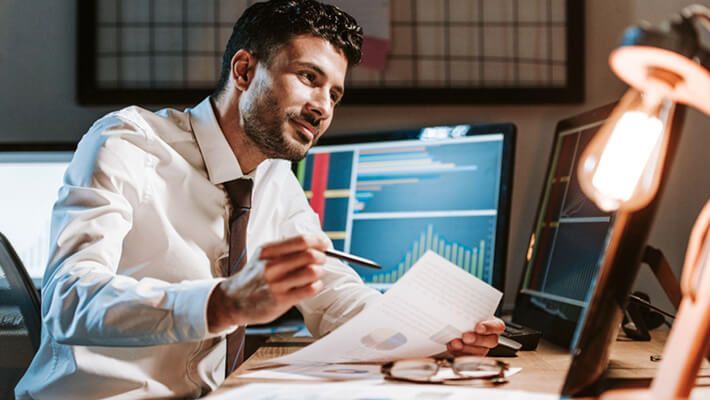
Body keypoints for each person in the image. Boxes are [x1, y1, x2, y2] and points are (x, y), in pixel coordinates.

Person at [16, 1, 504, 398]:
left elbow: (331, 292)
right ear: (245, 70)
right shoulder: (128, 142)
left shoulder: (273, 176)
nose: (322, 108)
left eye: (335, 94)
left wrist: (431, 333)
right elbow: (67, 301)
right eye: (309, 78)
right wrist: (223, 302)